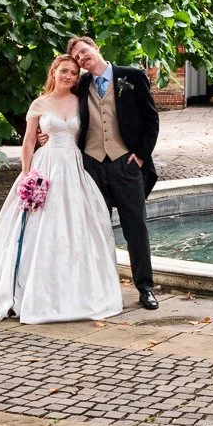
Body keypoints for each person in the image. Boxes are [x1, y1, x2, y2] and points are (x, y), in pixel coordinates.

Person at [0, 55, 123, 323]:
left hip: (73, 167)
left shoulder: (82, 102)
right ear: (53, 72)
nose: (69, 76)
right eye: (64, 71)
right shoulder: (39, 104)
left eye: (74, 73)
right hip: (45, 166)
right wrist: (27, 175)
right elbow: (28, 142)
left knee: (76, 227)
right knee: (36, 228)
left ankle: (75, 291)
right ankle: (26, 289)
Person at [61, 35, 162, 309]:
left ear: (96, 48)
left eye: (85, 52)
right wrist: (44, 135)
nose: (83, 58)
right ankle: (101, 288)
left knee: (136, 229)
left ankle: (145, 288)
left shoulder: (132, 76)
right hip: (92, 165)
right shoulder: (80, 86)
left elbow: (152, 118)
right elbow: (59, 109)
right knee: (96, 229)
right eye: (78, 58)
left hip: (125, 163)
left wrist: (140, 156)